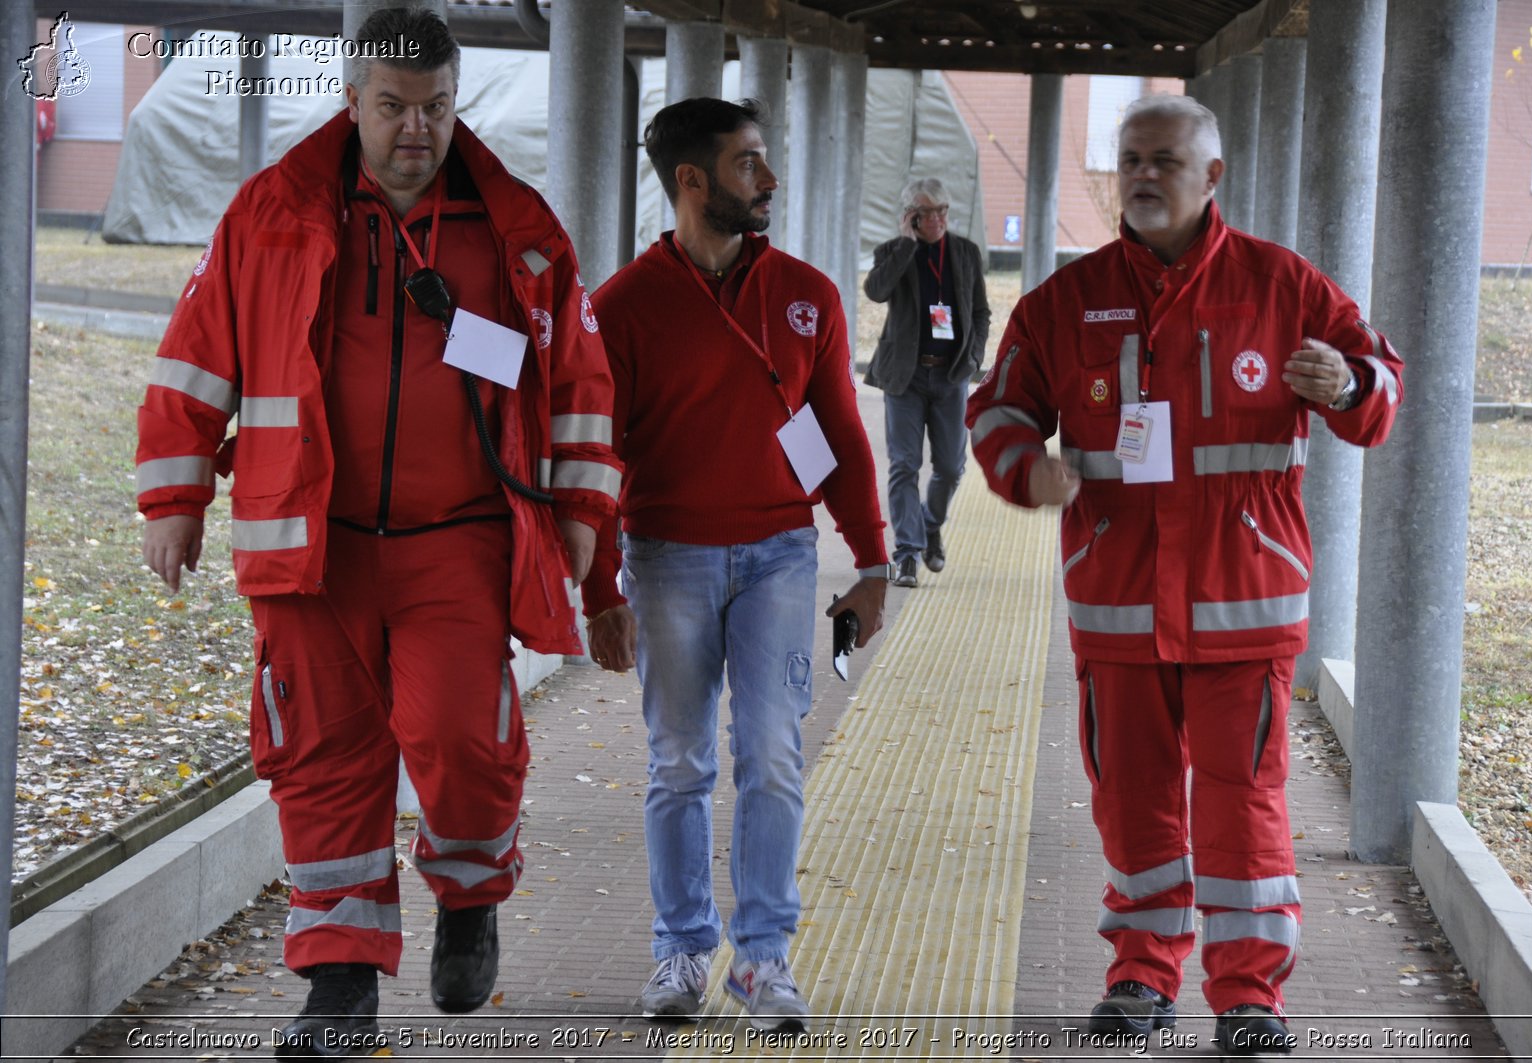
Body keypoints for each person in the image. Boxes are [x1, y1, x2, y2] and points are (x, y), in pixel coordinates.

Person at [134, 8, 619, 1056]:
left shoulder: (516, 229)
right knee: (322, 761)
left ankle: (469, 897)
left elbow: (579, 384)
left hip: (458, 540)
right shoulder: (270, 216)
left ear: (457, 103)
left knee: (461, 739)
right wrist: (173, 500)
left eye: (436, 107)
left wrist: (580, 510)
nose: (416, 128)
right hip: (312, 548)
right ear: (351, 100)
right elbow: (192, 361)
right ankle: (338, 985)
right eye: (393, 106)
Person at [966, 94, 1403, 1055]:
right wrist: (1024, 471)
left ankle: (1250, 997)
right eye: (1129, 158)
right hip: (1117, 603)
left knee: (1240, 801)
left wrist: (1350, 382)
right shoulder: (1065, 301)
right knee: (1134, 799)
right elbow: (996, 409)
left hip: (1245, 601)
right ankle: (1140, 976)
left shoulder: (1283, 286)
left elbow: (1381, 389)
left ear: (1212, 177)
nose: (1143, 175)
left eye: (1165, 159)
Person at [581, 97, 891, 1034]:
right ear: (692, 181)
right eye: (749, 163)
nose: (768, 179)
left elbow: (837, 431)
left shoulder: (807, 292)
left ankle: (761, 960)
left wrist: (873, 561)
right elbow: (598, 456)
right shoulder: (623, 307)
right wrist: (602, 593)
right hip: (666, 556)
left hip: (780, 559)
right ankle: (681, 947)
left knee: (771, 752)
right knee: (679, 761)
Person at [862, 178, 991, 588]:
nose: (936, 220)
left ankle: (929, 525)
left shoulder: (966, 253)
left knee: (952, 466)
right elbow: (876, 291)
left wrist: (973, 359)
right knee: (904, 465)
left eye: (942, 211)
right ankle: (907, 553)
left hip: (951, 374)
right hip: (907, 374)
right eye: (926, 212)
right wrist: (905, 245)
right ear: (911, 217)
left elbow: (982, 311)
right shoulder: (894, 252)